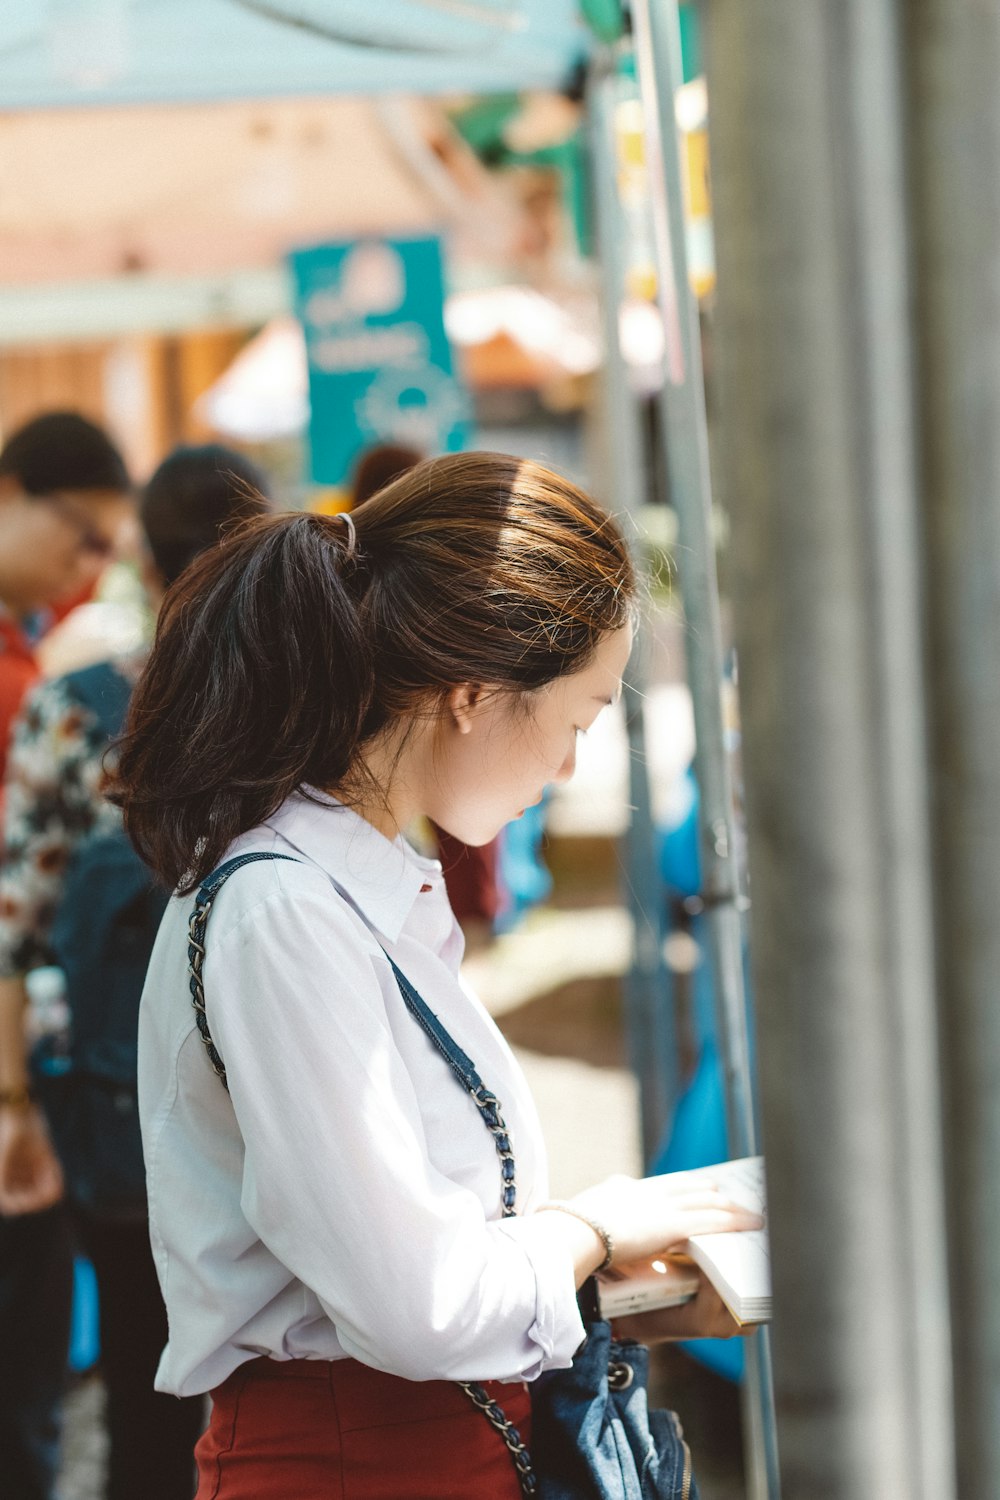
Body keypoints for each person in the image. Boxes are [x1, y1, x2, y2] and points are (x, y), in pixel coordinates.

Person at [111, 452, 761, 1498]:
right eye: (577, 722)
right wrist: (589, 1230)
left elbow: (406, 1276)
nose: (566, 773)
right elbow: (412, 1304)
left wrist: (603, 1282)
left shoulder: (345, 886)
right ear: (473, 694)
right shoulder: (286, 908)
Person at [0, 444, 272, 1500]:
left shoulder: (70, 706)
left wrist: (15, 1098)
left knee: (139, 1369)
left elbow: (16, 923)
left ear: (149, 567)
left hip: (118, 1108)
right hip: (270, 1099)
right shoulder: (293, 710)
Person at [0, 410, 132, 1500]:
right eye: (80, 533)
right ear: (10, 490)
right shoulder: (40, 684)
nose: (90, 567)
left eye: (110, 546)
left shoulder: (37, 655)